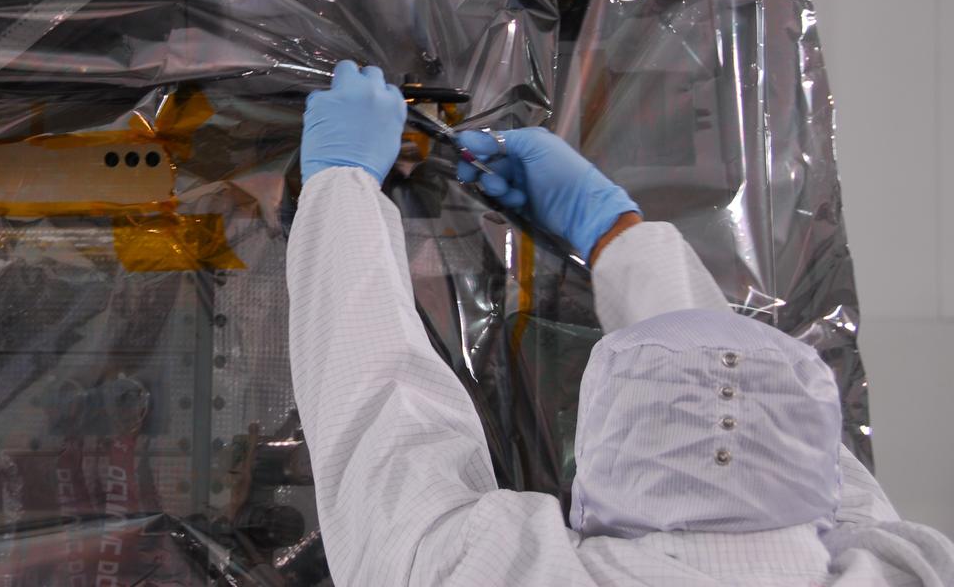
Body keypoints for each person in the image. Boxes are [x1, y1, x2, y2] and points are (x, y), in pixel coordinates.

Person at [287, 61, 954, 586]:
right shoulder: (896, 570)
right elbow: (747, 420)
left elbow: (381, 415)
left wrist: (340, 184)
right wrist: (613, 232)